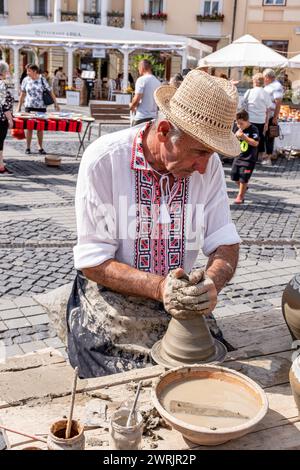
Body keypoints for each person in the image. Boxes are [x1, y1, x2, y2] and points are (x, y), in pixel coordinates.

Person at [65, 70, 241, 378]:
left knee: (203, 368)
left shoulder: (207, 166)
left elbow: (225, 242)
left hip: (178, 298)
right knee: (125, 375)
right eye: (199, 151)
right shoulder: (104, 160)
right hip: (111, 295)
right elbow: (93, 262)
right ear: (162, 131)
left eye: (211, 154)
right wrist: (160, 287)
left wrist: (212, 281)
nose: (204, 166)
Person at [16, 64, 60, 155]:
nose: (27, 73)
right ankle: (28, 147)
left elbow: (50, 92)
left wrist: (56, 104)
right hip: (29, 106)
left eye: (29, 71)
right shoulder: (26, 80)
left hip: (41, 107)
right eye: (27, 71)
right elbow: (23, 94)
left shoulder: (42, 79)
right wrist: (18, 106)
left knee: (40, 128)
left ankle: (40, 147)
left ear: (35, 71)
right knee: (29, 128)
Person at [231, 110, 259, 204]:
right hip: (238, 156)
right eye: (237, 123)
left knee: (243, 177)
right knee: (234, 176)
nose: (239, 126)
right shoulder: (237, 128)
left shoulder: (253, 129)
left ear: (247, 121)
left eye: (241, 124)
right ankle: (244, 187)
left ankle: (240, 196)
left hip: (249, 158)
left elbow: (255, 143)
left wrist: (244, 137)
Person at [242, 73, 272, 161]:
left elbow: (243, 105)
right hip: (261, 120)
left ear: (254, 81)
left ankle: (246, 154)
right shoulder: (265, 93)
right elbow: (268, 109)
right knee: (260, 138)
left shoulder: (249, 91)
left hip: (249, 119)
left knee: (248, 136)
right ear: (263, 82)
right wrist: (266, 123)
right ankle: (259, 156)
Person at [129, 59, 161, 126]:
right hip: (153, 118)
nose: (138, 70)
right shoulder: (158, 82)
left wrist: (131, 106)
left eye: (138, 68)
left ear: (142, 67)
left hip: (142, 117)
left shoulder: (141, 80)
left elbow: (137, 98)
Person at [263, 68, 284, 166]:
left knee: (270, 136)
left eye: (264, 78)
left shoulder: (276, 86)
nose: (264, 79)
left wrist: (275, 117)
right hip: (265, 115)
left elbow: (278, 102)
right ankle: (265, 155)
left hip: (271, 116)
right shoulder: (270, 85)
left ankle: (268, 158)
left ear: (268, 77)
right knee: (266, 136)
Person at [0, 61, 14, 174]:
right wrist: (10, 119)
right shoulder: (3, 85)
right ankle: (1, 166)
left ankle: (1, 165)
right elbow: (5, 106)